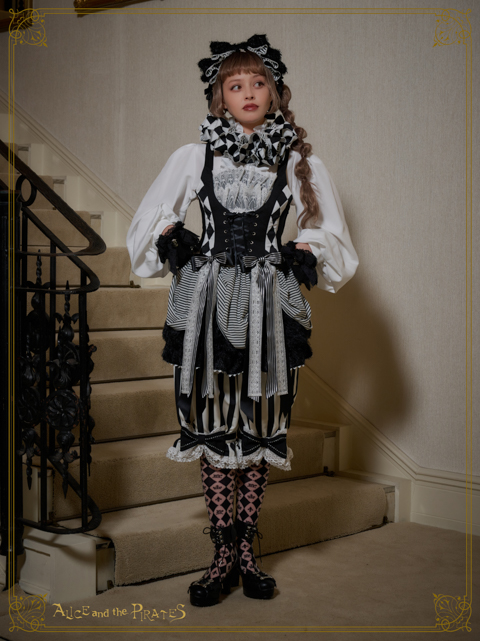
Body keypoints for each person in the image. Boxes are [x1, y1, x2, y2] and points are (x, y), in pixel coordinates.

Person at [126, 34, 358, 607]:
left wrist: (304, 248)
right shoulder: (193, 156)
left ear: (274, 92)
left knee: (259, 426)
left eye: (258, 82)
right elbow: (151, 220)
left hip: (269, 306)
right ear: (219, 97)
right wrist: (171, 237)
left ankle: (248, 554)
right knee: (210, 425)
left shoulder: (298, 161)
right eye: (236, 84)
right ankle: (221, 556)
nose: (248, 92)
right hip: (205, 304)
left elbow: (330, 234)